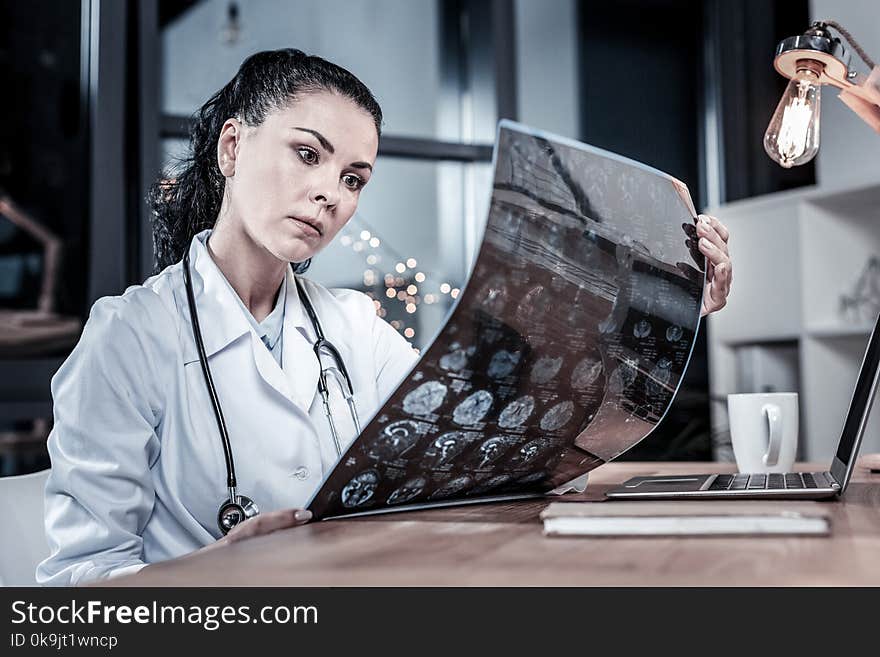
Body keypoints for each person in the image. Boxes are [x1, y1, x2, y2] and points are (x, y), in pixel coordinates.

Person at [36, 49, 733, 586]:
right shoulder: (129, 335)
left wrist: (663, 308)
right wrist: (205, 578)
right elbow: (76, 596)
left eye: (353, 178)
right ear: (231, 148)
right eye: (307, 154)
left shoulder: (354, 328)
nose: (329, 195)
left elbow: (491, 456)